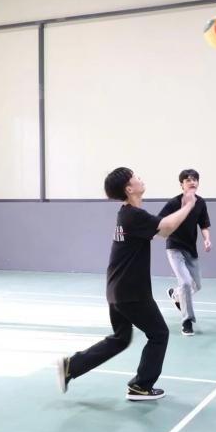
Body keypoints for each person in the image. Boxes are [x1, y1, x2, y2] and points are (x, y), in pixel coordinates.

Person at [57, 167, 196, 401]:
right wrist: (189, 206)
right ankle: (141, 386)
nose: (140, 178)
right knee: (159, 334)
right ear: (129, 189)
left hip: (117, 289)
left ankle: (72, 365)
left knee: (121, 338)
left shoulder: (128, 215)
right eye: (136, 177)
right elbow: (166, 229)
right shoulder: (132, 216)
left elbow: (161, 226)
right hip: (132, 292)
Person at [159, 169, 211, 336]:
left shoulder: (200, 203)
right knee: (186, 283)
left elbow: (204, 224)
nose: (192, 182)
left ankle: (176, 295)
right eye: (188, 180)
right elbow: (160, 221)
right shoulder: (174, 203)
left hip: (191, 249)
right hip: (174, 248)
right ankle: (187, 321)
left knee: (197, 285)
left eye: (195, 179)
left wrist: (207, 239)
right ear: (181, 184)